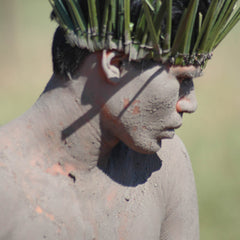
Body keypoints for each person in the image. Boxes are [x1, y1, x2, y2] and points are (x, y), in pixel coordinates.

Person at [0, 0, 238, 239]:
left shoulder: (164, 166)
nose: (190, 103)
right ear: (115, 64)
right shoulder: (7, 184)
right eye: (181, 79)